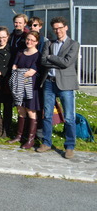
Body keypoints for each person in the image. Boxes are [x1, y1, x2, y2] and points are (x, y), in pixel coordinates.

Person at [38, 17, 80, 159]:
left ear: (66, 27)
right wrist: (53, 59)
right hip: (49, 83)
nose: (58, 30)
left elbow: (67, 63)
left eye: (60, 27)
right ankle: (46, 142)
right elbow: (43, 61)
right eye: (55, 28)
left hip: (65, 84)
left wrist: (51, 57)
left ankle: (69, 146)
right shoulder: (48, 43)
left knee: (69, 117)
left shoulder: (73, 44)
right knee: (47, 115)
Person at [8, 31, 41, 149]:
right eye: (28, 39)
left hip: (30, 87)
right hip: (18, 85)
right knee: (20, 109)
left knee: (30, 110)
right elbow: (14, 66)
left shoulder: (38, 55)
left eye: (32, 40)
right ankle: (19, 135)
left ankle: (31, 139)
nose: (29, 42)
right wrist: (20, 72)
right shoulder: (20, 52)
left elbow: (31, 72)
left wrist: (20, 72)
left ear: (37, 42)